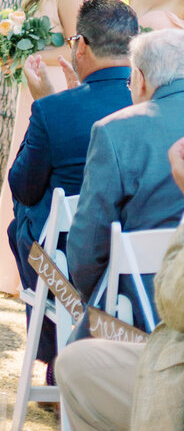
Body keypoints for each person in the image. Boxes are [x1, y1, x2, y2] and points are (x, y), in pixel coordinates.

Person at [7, 0, 137, 369]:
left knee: (23, 222)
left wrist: (50, 103)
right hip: (139, 254)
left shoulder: (53, 109)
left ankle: (55, 353)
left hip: (70, 262)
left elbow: (23, 186)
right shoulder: (155, 103)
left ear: (81, 45)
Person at [0, 0, 89, 295]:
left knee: (45, 169)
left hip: (56, 86)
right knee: (23, 163)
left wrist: (32, 53)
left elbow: (80, 47)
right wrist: (9, 53)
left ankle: (49, 265)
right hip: (31, 89)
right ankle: (12, 268)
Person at [55, 136, 184, 431]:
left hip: (138, 307)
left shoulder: (111, 132)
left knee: (26, 238)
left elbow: (84, 257)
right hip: (148, 316)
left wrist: (88, 302)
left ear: (138, 85)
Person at [65, 28, 184, 320]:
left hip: (144, 306)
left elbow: (88, 246)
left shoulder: (114, 130)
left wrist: (93, 297)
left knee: (73, 363)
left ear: (140, 80)